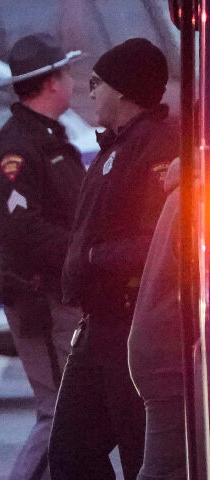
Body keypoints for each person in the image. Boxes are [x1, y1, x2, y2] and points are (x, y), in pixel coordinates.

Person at [49, 38, 179, 480]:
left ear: (123, 90)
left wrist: (93, 258)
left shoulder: (159, 149)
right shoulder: (112, 148)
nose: (90, 92)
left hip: (132, 327)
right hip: (97, 328)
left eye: (97, 83)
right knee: (70, 453)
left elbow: (160, 241)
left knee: (137, 456)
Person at [0, 33, 85, 480]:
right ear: (50, 83)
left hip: (63, 295)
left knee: (74, 412)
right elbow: (21, 231)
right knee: (60, 413)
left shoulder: (48, 139)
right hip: (40, 300)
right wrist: (84, 249)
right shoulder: (16, 149)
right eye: (66, 72)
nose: (73, 81)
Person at [128, 158, 186, 480]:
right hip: (173, 353)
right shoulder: (195, 193)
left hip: (161, 345)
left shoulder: (188, 187)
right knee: (165, 469)